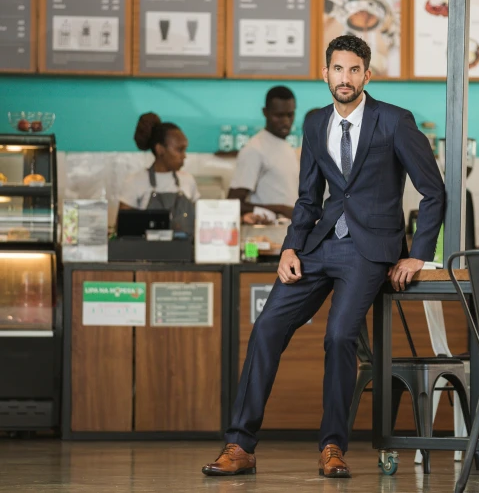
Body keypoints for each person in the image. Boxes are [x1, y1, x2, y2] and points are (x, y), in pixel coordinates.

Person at [202, 35, 445, 478]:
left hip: (369, 250)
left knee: (338, 338)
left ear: (367, 75)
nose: (346, 78)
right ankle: (240, 445)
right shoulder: (314, 123)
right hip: (319, 244)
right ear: (326, 73)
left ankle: (332, 446)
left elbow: (434, 191)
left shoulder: (394, 121)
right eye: (338, 69)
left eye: (354, 70)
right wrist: (290, 247)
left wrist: (419, 256)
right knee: (267, 326)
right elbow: (308, 197)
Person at [228, 86, 300, 225]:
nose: (285, 121)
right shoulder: (255, 149)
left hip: (286, 237)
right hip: (262, 238)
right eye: (279, 115)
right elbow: (233, 202)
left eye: (290, 115)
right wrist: (280, 209)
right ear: (265, 112)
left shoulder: (286, 147)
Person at [119, 112, 200, 235]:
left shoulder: (188, 181)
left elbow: (201, 222)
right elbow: (123, 231)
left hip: (185, 253)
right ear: (160, 149)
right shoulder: (135, 182)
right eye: (179, 150)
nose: (184, 156)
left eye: (185, 150)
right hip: (145, 253)